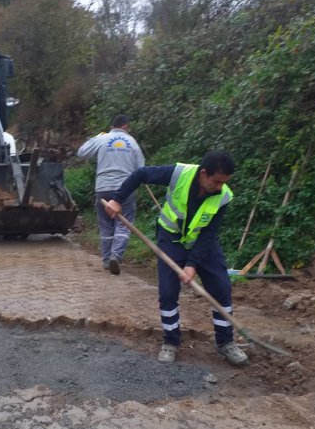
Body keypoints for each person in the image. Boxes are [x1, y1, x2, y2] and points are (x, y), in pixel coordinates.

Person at [103, 150, 247, 365]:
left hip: (201, 242)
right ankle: (171, 342)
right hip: (171, 240)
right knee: (168, 292)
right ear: (204, 173)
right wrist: (117, 200)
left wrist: (192, 265)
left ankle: (225, 342)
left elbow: (209, 234)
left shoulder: (223, 196)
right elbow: (141, 174)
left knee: (221, 287)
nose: (220, 187)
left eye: (223, 183)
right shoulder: (178, 174)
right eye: (217, 182)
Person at [77, 114, 145, 275]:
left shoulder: (102, 139)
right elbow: (141, 168)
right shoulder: (133, 143)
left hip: (103, 187)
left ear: (112, 126)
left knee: (106, 224)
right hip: (125, 188)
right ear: (126, 127)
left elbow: (81, 152)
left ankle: (107, 260)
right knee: (124, 223)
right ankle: (116, 255)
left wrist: (95, 137)